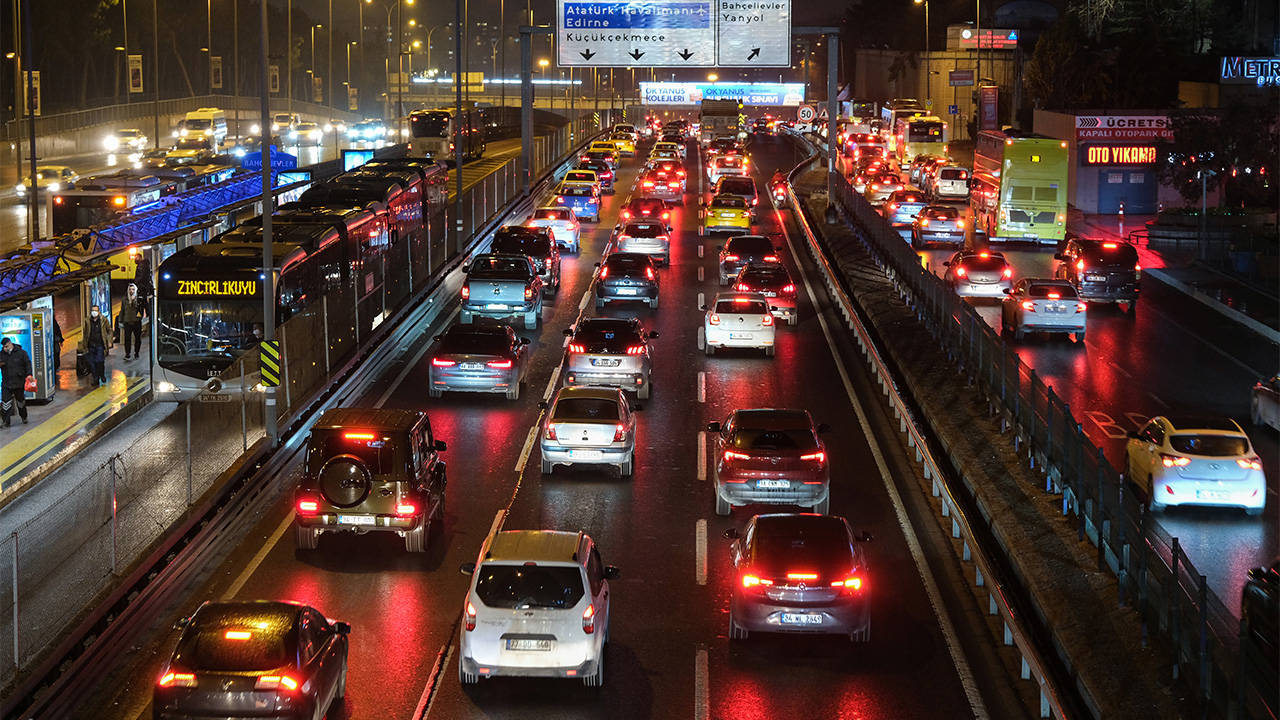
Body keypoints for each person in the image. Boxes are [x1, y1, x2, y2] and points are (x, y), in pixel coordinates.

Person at [0, 337, 31, 427]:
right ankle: (6, 421)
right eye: (3, 347)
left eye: (6, 346)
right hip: (6, 383)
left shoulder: (21, 353)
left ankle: (24, 417)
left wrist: (29, 374)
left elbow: (27, 364)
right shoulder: (2, 354)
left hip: (18, 382)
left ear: (10, 343)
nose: (5, 349)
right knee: (5, 403)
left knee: (20, 402)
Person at [79, 305, 111, 386]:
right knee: (92, 363)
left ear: (99, 312)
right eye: (93, 310)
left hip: (100, 344)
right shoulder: (87, 321)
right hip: (91, 345)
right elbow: (85, 333)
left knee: (99, 361)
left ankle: (102, 374)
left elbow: (109, 330)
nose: (94, 312)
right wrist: (84, 345)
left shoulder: (103, 320)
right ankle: (95, 378)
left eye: (96, 310)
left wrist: (109, 341)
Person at [118, 283, 144, 361]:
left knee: (138, 339)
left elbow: (142, 309)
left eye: (133, 289)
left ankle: (136, 353)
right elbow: (122, 310)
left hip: (137, 322)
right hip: (127, 322)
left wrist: (134, 302)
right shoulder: (125, 299)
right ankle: (127, 354)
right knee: (127, 339)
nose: (131, 291)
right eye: (130, 289)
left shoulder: (138, 299)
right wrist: (120, 320)